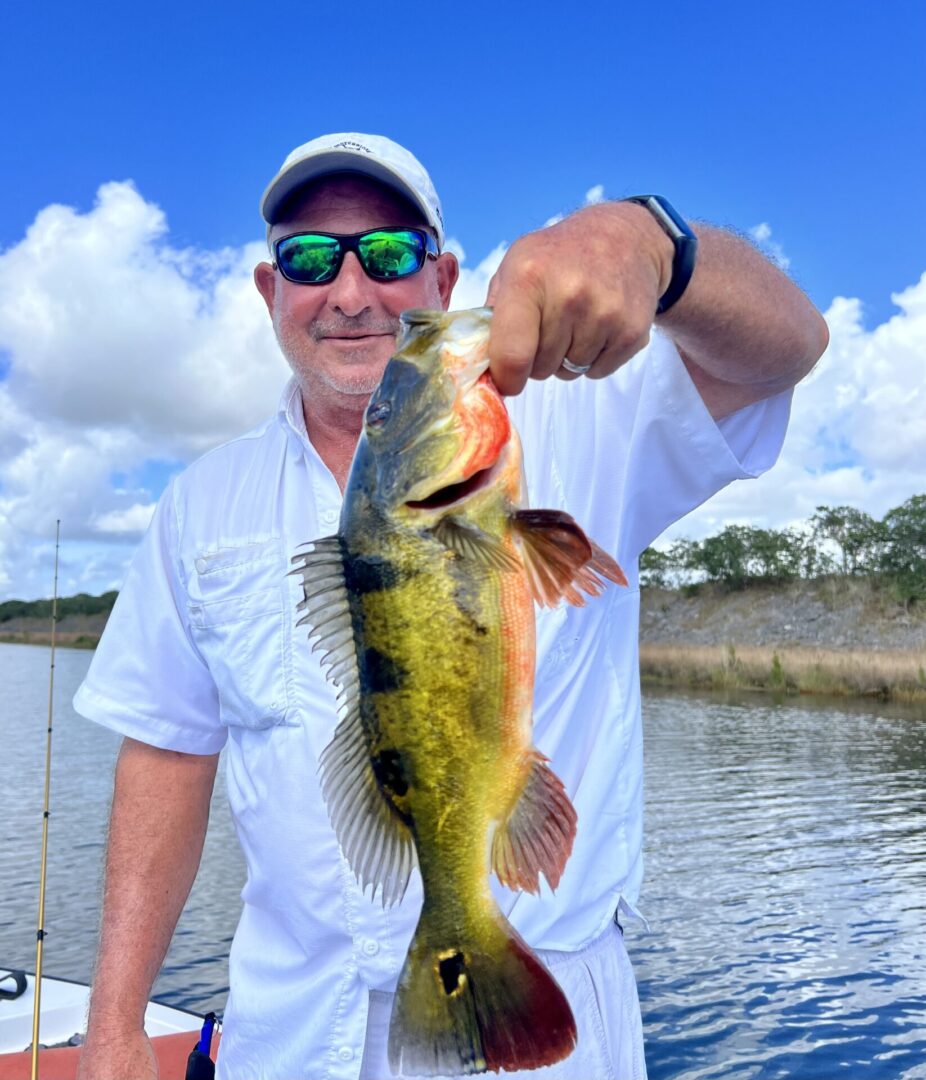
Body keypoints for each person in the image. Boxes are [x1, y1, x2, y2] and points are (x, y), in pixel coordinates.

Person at [73, 132, 828, 1080]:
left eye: (388, 252)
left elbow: (788, 350)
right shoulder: (200, 504)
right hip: (293, 1029)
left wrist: (655, 245)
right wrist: (114, 1022)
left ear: (444, 277)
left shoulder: (583, 415)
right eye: (311, 257)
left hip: (545, 1015)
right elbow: (166, 752)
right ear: (271, 291)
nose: (351, 292)